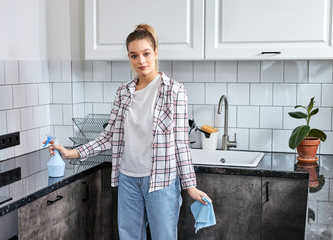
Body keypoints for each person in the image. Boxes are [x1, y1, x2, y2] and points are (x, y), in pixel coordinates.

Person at [46, 24, 211, 240]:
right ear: (129, 57)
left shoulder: (174, 91)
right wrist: (71, 153)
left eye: (146, 54)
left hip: (161, 180)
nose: (141, 61)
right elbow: (109, 137)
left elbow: (181, 143)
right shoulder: (123, 92)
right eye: (134, 56)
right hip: (127, 179)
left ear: (155, 53)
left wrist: (190, 186)